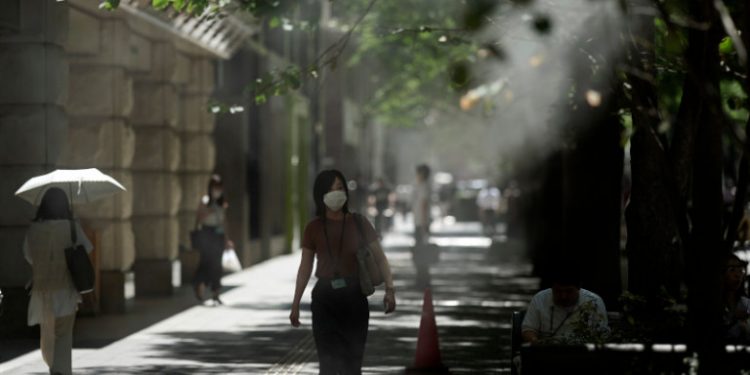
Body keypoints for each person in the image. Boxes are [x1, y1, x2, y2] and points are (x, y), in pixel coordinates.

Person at [290, 169, 396, 375]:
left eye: (339, 188)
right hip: (324, 300)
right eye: (330, 189)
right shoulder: (314, 227)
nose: (336, 193)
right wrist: (295, 304)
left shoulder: (359, 223)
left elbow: (380, 258)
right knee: (328, 366)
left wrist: (390, 289)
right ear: (321, 195)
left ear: (346, 191)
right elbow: (305, 267)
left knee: (352, 366)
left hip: (354, 298)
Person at [23, 187, 94, 375]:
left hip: (42, 291)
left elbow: (29, 255)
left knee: (47, 335)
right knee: (63, 336)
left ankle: (54, 368)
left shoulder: (34, 229)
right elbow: (87, 248)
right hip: (65, 290)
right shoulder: (71, 226)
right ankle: (61, 371)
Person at [521, 268, 609, 344]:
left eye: (568, 291)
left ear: (579, 288)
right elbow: (528, 329)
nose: (563, 296)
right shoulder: (540, 299)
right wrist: (535, 341)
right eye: (558, 291)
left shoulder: (593, 302)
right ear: (552, 288)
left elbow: (601, 334)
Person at [193, 174, 234, 305]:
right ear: (210, 187)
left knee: (217, 265)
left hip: (219, 234)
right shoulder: (205, 201)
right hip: (207, 232)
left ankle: (216, 293)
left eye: (219, 187)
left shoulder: (223, 203)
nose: (217, 190)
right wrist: (208, 211)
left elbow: (224, 222)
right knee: (206, 262)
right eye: (214, 187)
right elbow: (198, 219)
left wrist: (227, 239)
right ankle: (199, 284)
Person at [722, 253, 750, 343]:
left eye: (740, 270)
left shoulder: (745, 303)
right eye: (732, 270)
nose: (738, 275)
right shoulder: (713, 304)